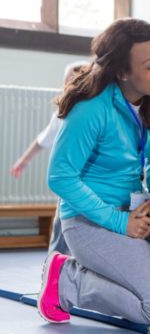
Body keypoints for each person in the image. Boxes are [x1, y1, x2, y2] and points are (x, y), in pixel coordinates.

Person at [37, 18, 150, 327]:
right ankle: (66, 279)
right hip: (89, 222)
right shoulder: (91, 107)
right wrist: (120, 222)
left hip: (133, 211)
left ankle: (140, 284)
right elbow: (60, 176)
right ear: (122, 72)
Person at [11, 61, 88, 254]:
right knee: (61, 228)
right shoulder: (62, 114)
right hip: (70, 185)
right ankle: (54, 266)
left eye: (75, 82)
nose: (69, 87)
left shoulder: (97, 111)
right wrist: (24, 160)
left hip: (93, 184)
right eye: (67, 83)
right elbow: (42, 140)